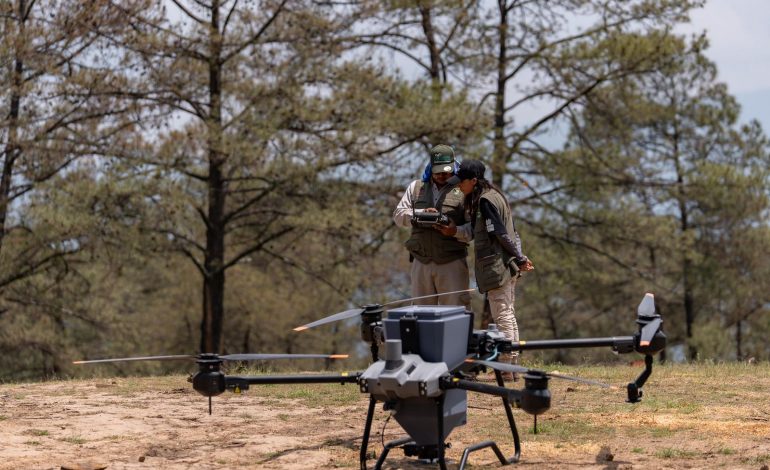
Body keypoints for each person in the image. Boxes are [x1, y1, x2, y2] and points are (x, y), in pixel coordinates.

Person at [453, 159, 534, 379]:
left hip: (497, 267)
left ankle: (506, 367)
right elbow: (513, 232)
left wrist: (520, 257)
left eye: (462, 181)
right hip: (507, 264)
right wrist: (519, 258)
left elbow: (501, 233)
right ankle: (512, 366)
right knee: (508, 313)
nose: (459, 185)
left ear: (473, 181)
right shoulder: (496, 195)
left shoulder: (485, 201)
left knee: (502, 316)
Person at [393, 144, 472, 309]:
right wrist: (421, 214)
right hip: (421, 262)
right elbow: (398, 216)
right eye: (438, 171)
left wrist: (454, 231)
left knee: (456, 312)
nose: (442, 175)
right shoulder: (416, 187)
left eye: (446, 171)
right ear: (431, 166)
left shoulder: (464, 189)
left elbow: (474, 229)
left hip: (452, 262)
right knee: (421, 314)